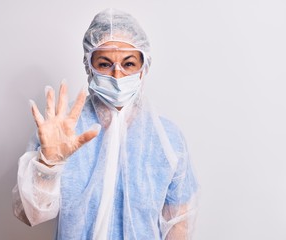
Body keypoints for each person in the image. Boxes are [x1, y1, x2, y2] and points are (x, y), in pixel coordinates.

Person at [12, 8, 199, 240]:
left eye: (129, 64)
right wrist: (48, 165)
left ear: (144, 68)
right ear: (89, 66)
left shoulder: (167, 140)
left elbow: (178, 225)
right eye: (104, 63)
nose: (117, 75)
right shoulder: (62, 130)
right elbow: (30, 215)